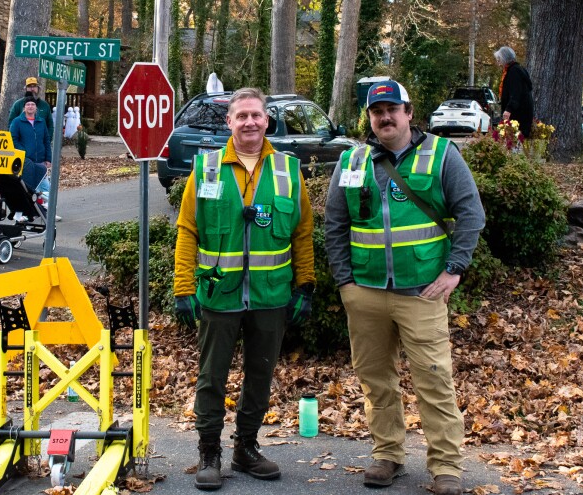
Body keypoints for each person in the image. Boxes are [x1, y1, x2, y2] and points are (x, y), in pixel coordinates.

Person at [324, 80, 485, 495]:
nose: (385, 117)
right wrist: (345, 282)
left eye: (393, 109)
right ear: (370, 118)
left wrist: (454, 269)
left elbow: (471, 214)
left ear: (410, 113)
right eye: (377, 112)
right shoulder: (353, 160)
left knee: (434, 381)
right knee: (376, 380)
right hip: (366, 292)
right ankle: (387, 454)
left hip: (423, 292)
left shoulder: (441, 154)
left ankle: (446, 467)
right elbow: (335, 224)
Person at [173, 87, 316, 490]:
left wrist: (305, 285)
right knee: (211, 377)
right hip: (219, 294)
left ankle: (246, 448)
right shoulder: (207, 169)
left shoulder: (288, 170)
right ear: (229, 122)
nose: (250, 122)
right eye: (242, 116)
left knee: (260, 375)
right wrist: (184, 286)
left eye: (256, 115)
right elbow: (187, 230)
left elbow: (303, 233)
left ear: (267, 120)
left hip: (271, 296)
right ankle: (209, 453)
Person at [8, 95, 60, 221]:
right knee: (25, 188)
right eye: (28, 105)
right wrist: (24, 153)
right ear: (24, 108)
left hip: (40, 161)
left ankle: (50, 212)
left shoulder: (41, 122)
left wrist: (49, 158)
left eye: (32, 105)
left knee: (47, 188)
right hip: (26, 162)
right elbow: (13, 139)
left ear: (36, 107)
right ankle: (19, 214)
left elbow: (46, 140)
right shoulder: (17, 122)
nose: (30, 107)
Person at [494, 46, 534, 138]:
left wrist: (508, 109)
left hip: (519, 113)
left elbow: (516, 92)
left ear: (504, 59)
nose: (498, 63)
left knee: (515, 138)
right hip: (521, 110)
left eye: (499, 59)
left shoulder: (514, 71)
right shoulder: (516, 69)